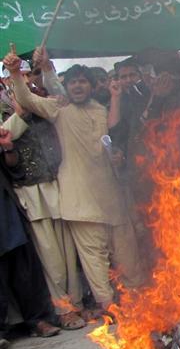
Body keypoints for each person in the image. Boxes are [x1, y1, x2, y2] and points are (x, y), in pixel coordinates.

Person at [5, 55, 146, 313]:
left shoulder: (100, 109)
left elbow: (113, 130)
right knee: (95, 262)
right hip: (81, 203)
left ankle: (137, 304)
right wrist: (15, 73)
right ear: (66, 87)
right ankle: (109, 308)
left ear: (91, 87)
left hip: (111, 197)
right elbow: (27, 100)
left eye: (83, 82)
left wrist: (115, 98)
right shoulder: (58, 109)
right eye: (73, 83)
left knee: (129, 258)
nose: (78, 86)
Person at [0, 130, 60, 345]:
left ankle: (38, 321)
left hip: (6, 214)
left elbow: (13, 166)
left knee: (24, 271)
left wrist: (7, 147)